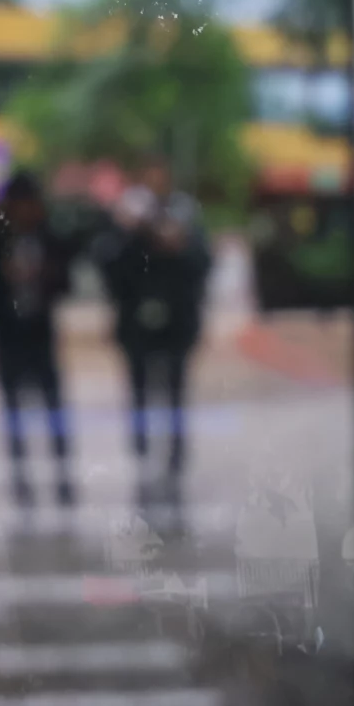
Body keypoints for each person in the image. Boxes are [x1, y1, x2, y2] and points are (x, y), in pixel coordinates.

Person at [95, 160, 212, 523]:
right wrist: (132, 233)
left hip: (177, 324)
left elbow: (202, 265)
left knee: (175, 390)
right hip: (137, 325)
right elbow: (109, 267)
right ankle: (142, 451)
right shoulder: (128, 223)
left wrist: (179, 243)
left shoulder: (185, 217)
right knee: (139, 391)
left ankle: (175, 456)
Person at [0, 171, 75, 507]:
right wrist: (2, 292)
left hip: (41, 335)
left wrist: (43, 279)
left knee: (53, 408)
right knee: (13, 410)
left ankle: (62, 477)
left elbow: (66, 282)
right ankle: (21, 480)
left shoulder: (49, 239)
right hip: (7, 335)